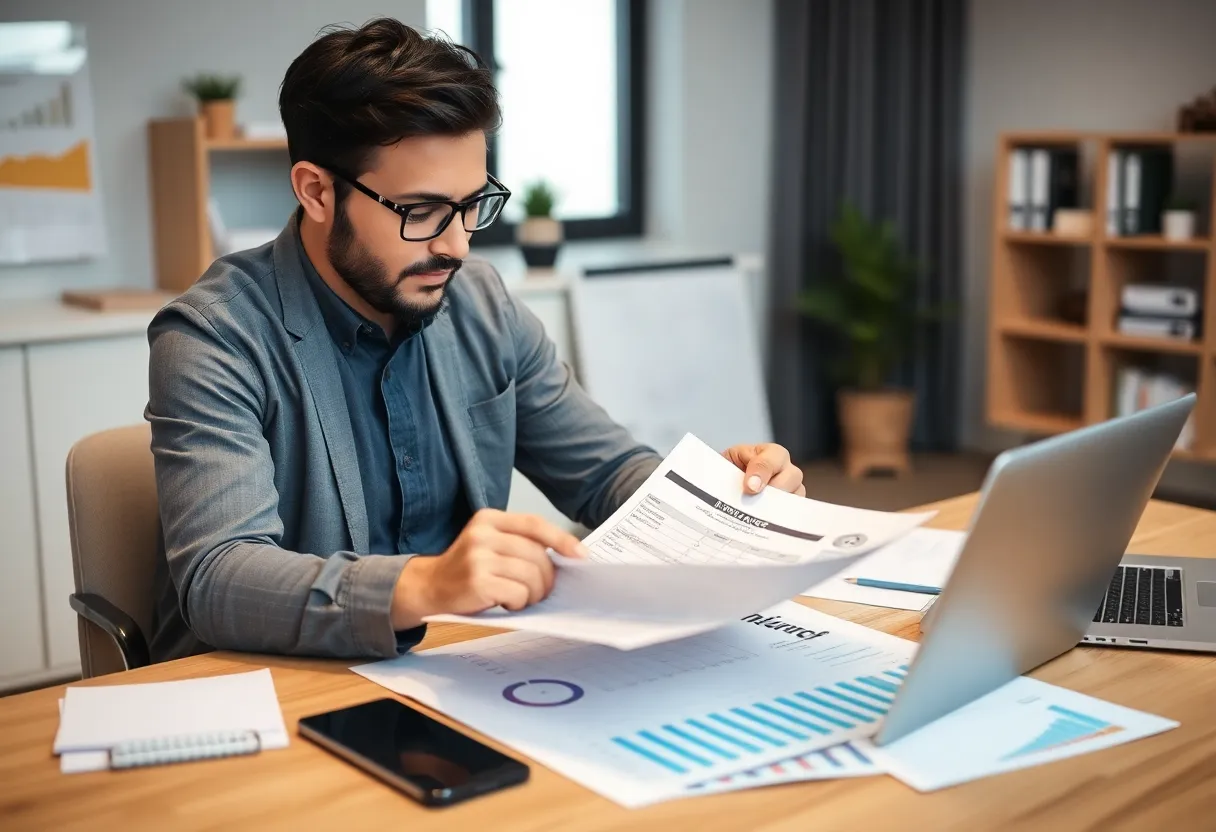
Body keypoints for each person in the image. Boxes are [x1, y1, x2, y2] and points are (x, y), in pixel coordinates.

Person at [145, 17, 805, 663]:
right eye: (422, 212)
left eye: (470, 206)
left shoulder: (481, 302)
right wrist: (425, 586)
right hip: (284, 688)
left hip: (462, 670)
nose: (456, 245)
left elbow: (605, 473)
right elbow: (218, 578)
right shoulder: (215, 336)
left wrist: (718, 503)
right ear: (317, 192)